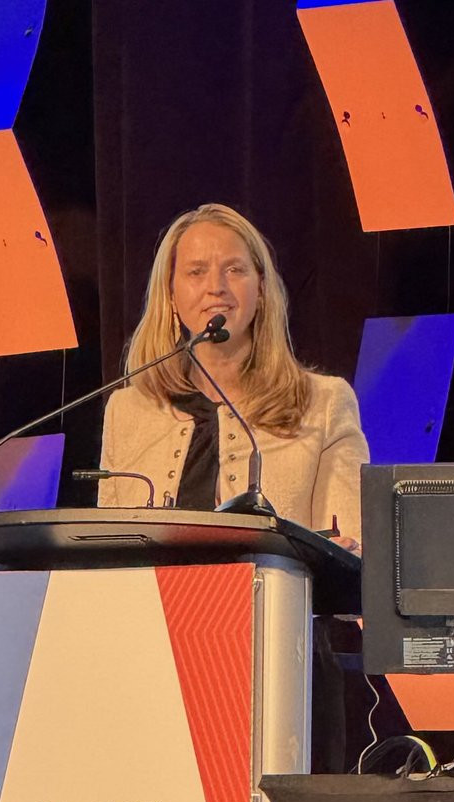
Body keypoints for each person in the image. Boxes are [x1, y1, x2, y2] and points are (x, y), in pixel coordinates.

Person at [98, 203, 369, 548]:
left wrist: (340, 550)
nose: (216, 287)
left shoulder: (324, 404)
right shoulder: (126, 411)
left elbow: (352, 549)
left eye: (234, 270)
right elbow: (105, 554)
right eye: (196, 272)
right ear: (171, 294)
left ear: (261, 288)